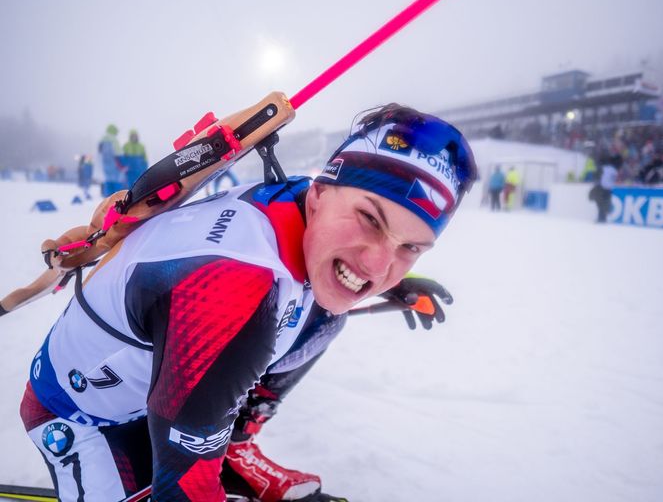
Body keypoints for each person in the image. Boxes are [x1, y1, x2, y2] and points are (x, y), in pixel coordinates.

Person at [19, 104, 476, 502]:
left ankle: (232, 443)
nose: (378, 266)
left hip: (173, 390)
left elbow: (348, 262)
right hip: (84, 417)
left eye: (410, 247)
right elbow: (185, 492)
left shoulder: (301, 202)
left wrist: (397, 284)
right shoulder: (233, 289)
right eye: (370, 220)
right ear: (319, 195)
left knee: (330, 306)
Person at [590, 154, 619, 223]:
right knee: (605, 203)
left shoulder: (603, 168)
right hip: (609, 189)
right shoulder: (614, 170)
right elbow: (614, 179)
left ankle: (601, 218)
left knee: (601, 204)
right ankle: (603, 217)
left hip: (602, 188)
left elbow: (597, 177)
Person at [99, 124, 123, 196]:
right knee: (116, 183)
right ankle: (118, 200)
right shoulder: (114, 140)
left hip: (105, 165)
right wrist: (121, 165)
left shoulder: (102, 140)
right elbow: (118, 153)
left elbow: (99, 152)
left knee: (108, 182)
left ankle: (108, 200)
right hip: (114, 166)